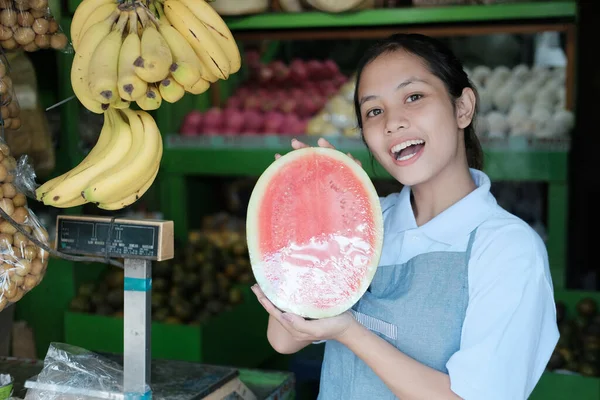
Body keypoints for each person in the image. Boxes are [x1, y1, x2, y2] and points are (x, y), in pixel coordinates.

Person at [251, 33, 559, 400]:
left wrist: (350, 332)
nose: (392, 123)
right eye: (373, 111)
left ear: (463, 107)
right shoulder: (367, 223)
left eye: (413, 97)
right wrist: (317, 213)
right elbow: (284, 337)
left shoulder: (508, 249)